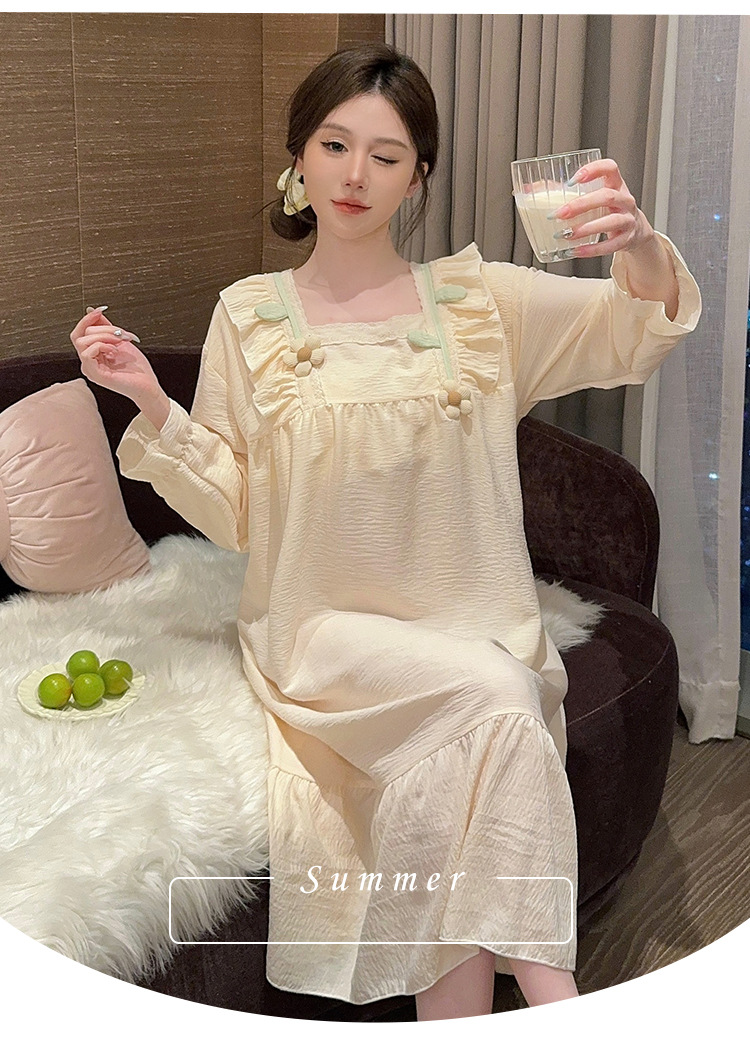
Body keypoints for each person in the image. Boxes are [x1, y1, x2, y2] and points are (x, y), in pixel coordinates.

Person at [70, 42, 701, 1020]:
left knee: (468, 743)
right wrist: (153, 404)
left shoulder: (483, 303)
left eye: (387, 154)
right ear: (299, 158)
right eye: (334, 145)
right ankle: (557, 1000)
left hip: (469, 618)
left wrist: (642, 243)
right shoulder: (251, 316)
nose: (355, 174)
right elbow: (237, 509)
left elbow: (635, 326)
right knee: (498, 699)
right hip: (322, 634)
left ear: (419, 177)